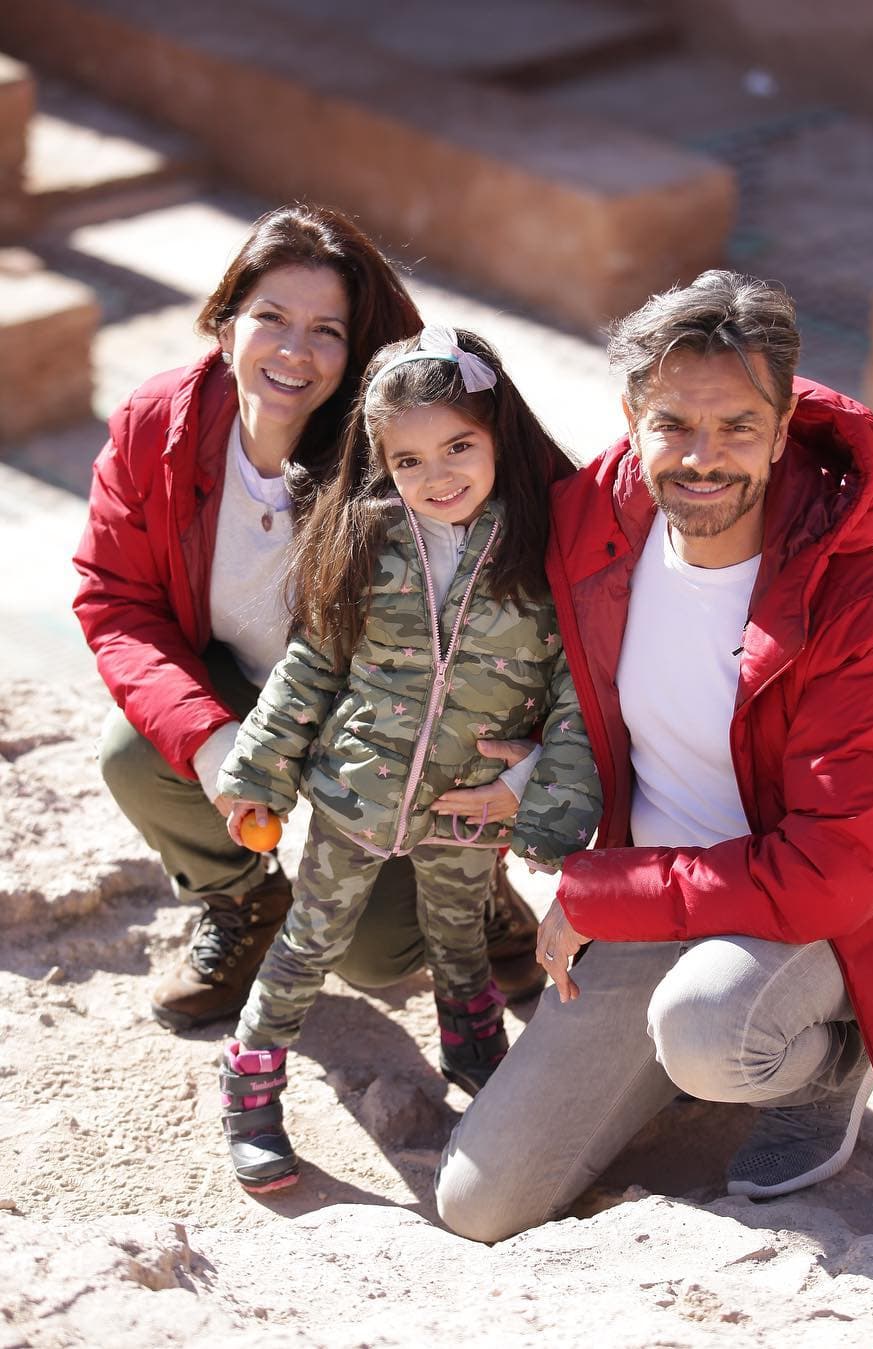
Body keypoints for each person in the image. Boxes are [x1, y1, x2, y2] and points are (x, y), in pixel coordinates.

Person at [435, 270, 873, 1242]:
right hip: (660, 899)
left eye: (736, 427)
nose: (702, 458)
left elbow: (829, 872)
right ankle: (688, 1050)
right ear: (633, 415)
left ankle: (828, 1060)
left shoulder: (856, 605)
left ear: (781, 428)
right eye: (675, 423)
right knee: (478, 1201)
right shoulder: (599, 520)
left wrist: (601, 892)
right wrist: (545, 767)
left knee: (709, 1033)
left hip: (822, 918)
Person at [72, 205, 543, 1035]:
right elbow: (116, 599)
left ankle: (474, 892)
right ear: (224, 322)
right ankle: (245, 901)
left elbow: (552, 546)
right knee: (136, 755)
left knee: (374, 957)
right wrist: (212, 743)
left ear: (356, 349)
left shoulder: (402, 446)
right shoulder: (159, 426)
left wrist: (538, 752)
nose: (294, 352)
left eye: (327, 330)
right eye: (271, 319)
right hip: (250, 692)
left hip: (391, 724)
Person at [214, 325, 603, 1192]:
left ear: (500, 433)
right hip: (359, 789)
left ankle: (471, 1044)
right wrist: (258, 770)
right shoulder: (364, 541)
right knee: (311, 935)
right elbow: (311, 664)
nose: (440, 476)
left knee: (459, 928)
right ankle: (252, 1072)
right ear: (381, 465)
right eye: (410, 460)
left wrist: (528, 781)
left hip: (471, 801)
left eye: (460, 445)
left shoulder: (545, 555)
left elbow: (578, 687)